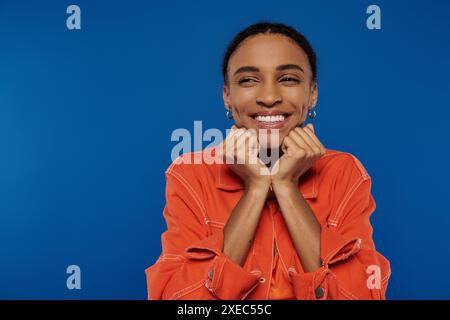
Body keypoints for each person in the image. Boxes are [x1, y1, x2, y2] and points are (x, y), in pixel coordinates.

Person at [145, 21, 391, 300]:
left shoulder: (344, 172)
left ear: (312, 94)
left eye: (288, 79)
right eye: (249, 80)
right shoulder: (190, 174)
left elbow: (360, 295)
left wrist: (286, 186)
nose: (270, 97)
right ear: (227, 96)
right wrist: (256, 187)